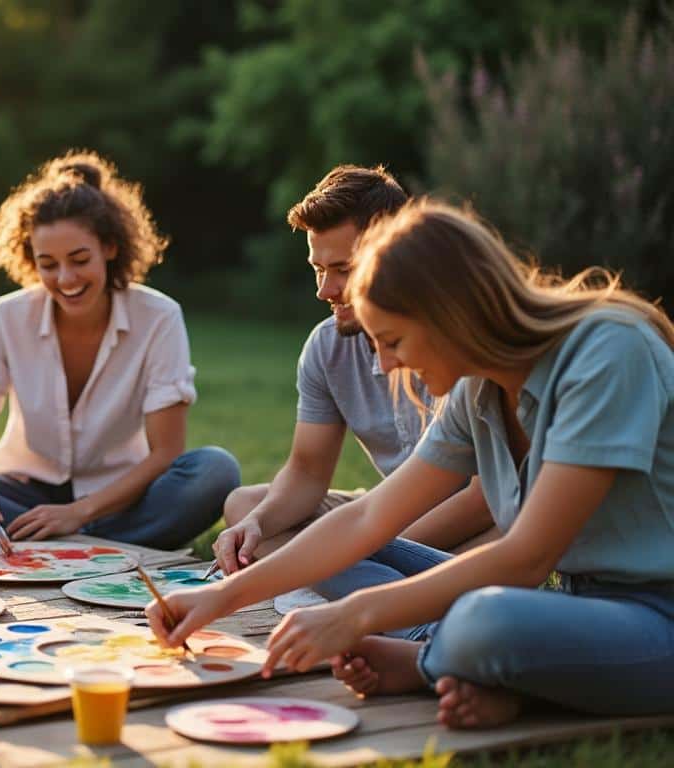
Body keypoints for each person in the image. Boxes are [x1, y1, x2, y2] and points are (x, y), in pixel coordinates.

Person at [148, 200, 674, 729]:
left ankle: (436, 663)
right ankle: (477, 669)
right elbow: (368, 516)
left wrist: (354, 615)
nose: (386, 364)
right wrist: (220, 595)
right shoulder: (479, 390)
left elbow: (527, 558)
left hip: (658, 616)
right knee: (307, 529)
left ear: (451, 313)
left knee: (485, 617)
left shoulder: (608, 351)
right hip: (575, 605)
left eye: (393, 341)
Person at [0, 151, 239, 550]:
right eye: (48, 264)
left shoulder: (159, 317)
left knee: (215, 471)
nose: (65, 278)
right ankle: (106, 547)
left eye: (79, 259)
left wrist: (80, 512)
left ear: (110, 247)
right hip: (22, 495)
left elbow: (165, 453)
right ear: (31, 261)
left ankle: (39, 543)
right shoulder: (7, 316)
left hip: (117, 499)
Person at [213, 166, 493, 638]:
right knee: (246, 506)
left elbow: (485, 501)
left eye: (342, 269)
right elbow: (306, 473)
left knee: (494, 542)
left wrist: (356, 547)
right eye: (319, 270)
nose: (325, 290)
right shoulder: (327, 346)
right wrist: (264, 525)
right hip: (389, 511)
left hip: (472, 526)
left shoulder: (463, 341)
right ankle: (389, 591)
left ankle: (387, 602)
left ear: (393, 249)